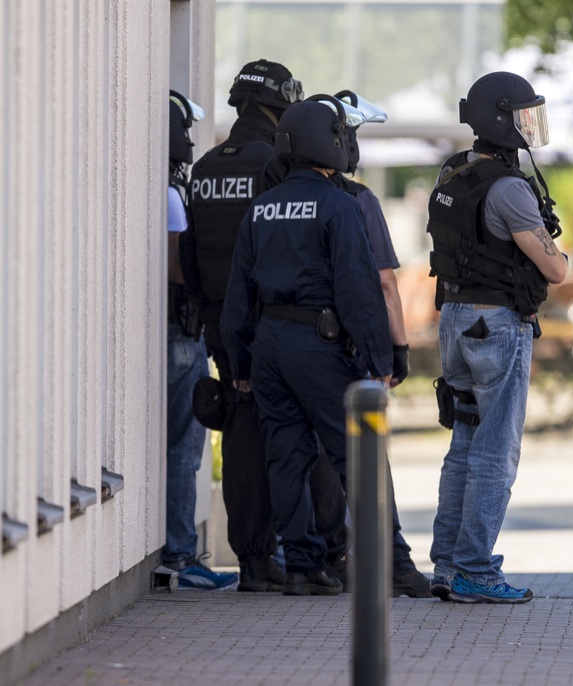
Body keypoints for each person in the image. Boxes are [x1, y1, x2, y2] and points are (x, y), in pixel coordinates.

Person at [220, 99, 394, 595]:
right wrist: (379, 359)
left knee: (286, 458)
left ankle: (302, 567)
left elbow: (240, 294)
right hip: (318, 343)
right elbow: (358, 291)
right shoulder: (339, 204)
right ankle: (387, 562)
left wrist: (241, 360)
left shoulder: (262, 207)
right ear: (329, 142)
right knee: (354, 455)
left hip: (270, 344)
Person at [425, 72, 568, 603]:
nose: (530, 127)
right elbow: (554, 271)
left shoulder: (452, 172)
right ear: (502, 119)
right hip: (497, 326)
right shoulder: (509, 188)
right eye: (523, 116)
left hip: (455, 319)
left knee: (463, 443)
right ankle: (475, 572)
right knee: (495, 451)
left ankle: (445, 566)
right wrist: (560, 254)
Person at [301, 91, 430, 597]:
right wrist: (395, 352)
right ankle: (393, 563)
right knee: (363, 457)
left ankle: (327, 556)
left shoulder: (282, 195)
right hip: (349, 349)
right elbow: (384, 285)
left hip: (289, 345)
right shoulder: (357, 200)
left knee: (307, 454)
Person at [181, 59, 303, 592]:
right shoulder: (273, 164)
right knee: (283, 439)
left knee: (239, 436)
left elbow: (190, 252)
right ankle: (276, 556)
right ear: (281, 106)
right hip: (268, 323)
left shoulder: (205, 167)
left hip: (215, 324)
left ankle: (251, 560)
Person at [163, 90, 238, 591]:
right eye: (186, 128)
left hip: (176, 332)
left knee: (181, 449)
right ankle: (180, 554)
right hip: (182, 334)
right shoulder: (169, 194)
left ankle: (177, 549)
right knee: (186, 450)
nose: (191, 139)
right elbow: (175, 265)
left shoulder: (173, 188)